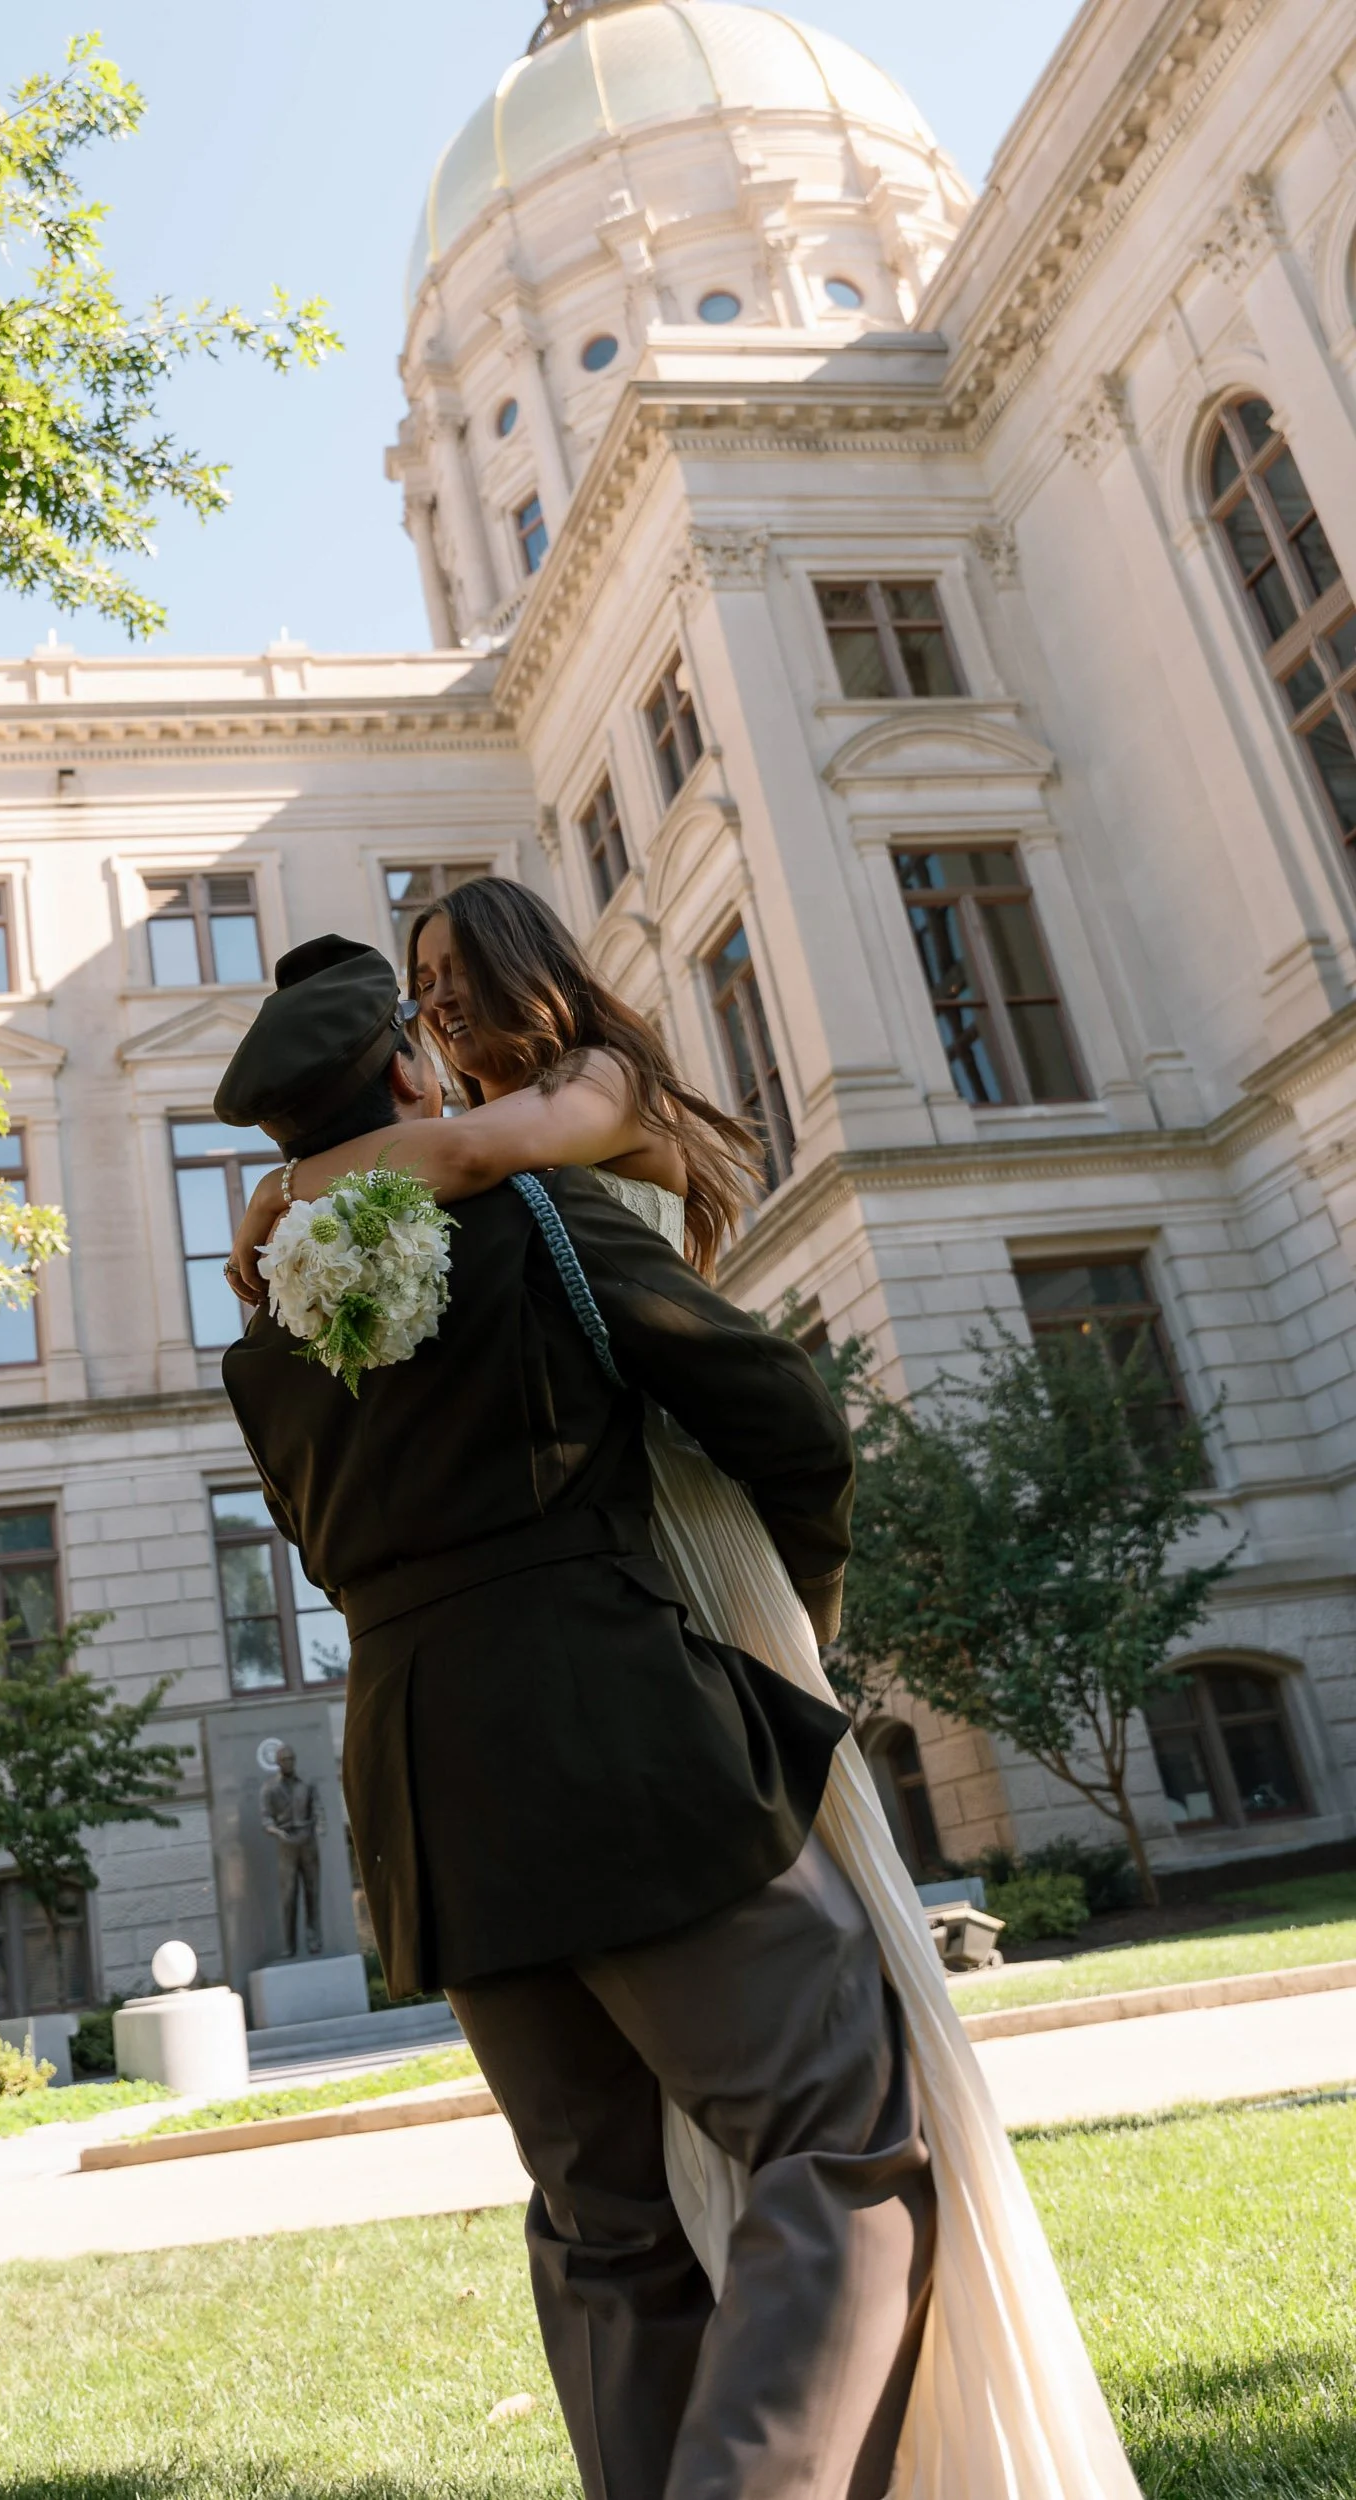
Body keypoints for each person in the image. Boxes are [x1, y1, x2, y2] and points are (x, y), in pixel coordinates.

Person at [227, 880, 1142, 2500]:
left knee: (601, 2226)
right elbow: (783, 1413)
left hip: (429, 1802)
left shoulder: (267, 1346)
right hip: (625, 1733)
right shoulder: (519, 1212)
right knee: (837, 2142)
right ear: (407, 1077)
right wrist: (789, 1619)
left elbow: (321, 1553)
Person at [259, 1743, 323, 1959]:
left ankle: (314, 1940)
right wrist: (275, 1832)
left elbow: (317, 1808)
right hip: (286, 1843)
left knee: (312, 1892)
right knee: (288, 1896)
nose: (288, 1763)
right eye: (284, 1759)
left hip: (307, 1841)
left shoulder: (307, 1784)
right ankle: (289, 1945)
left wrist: (321, 1826)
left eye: (291, 1759)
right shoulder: (269, 1788)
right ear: (278, 1763)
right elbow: (265, 1817)